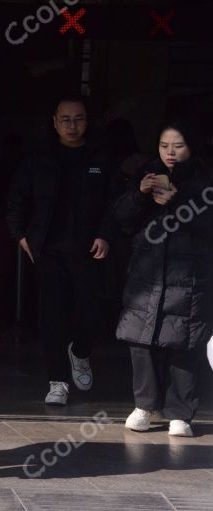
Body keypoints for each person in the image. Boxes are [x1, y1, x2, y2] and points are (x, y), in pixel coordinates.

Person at [6, 94, 118, 405]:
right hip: (48, 250)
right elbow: (17, 199)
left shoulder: (102, 157)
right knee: (51, 317)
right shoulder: (38, 157)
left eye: (78, 118)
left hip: (89, 250)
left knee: (91, 313)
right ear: (54, 122)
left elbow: (115, 204)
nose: (72, 125)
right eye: (65, 119)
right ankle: (57, 381)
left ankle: (80, 352)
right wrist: (20, 236)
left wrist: (106, 235)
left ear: (87, 120)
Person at [113, 120, 213, 437]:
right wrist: (139, 196)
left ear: (192, 147)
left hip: (190, 276)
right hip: (148, 273)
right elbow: (120, 220)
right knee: (140, 339)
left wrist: (179, 200)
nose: (170, 152)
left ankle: (181, 413)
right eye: (164, 145)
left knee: (185, 343)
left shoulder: (204, 180)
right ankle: (145, 405)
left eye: (178, 146)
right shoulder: (146, 175)